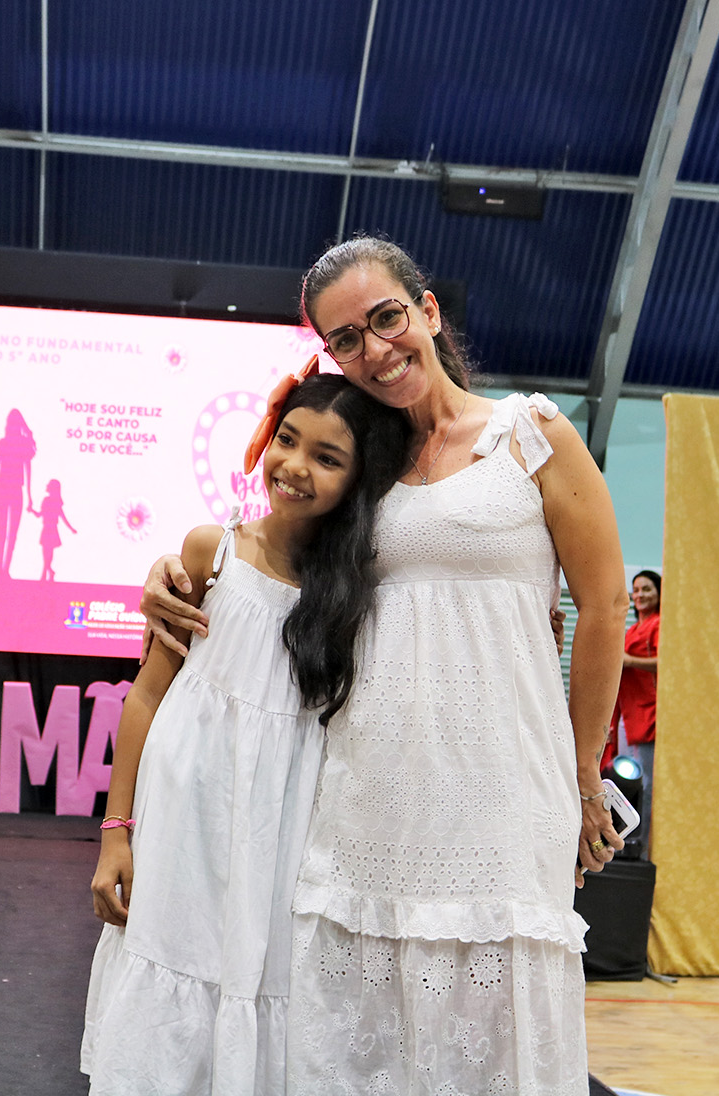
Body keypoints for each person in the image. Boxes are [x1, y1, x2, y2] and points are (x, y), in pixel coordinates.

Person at [142, 237, 628, 1094]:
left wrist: (584, 775)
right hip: (367, 806)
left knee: (496, 1051)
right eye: (346, 339)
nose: (375, 348)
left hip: (504, 804)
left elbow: (605, 605)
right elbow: (267, 554)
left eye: (387, 318)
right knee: (362, 1059)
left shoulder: (530, 433)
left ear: (427, 312)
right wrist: (168, 573)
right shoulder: (359, 466)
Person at [80, 374, 410, 1095]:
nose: (294, 466)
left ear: (358, 480)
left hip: (284, 828)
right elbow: (146, 697)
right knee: (171, 961)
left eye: (327, 457)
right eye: (287, 440)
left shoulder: (358, 598)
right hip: (182, 817)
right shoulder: (211, 553)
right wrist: (116, 832)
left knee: (259, 977)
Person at [604, 569, 660, 853]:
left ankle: (642, 846)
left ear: (659, 593)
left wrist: (629, 660)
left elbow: (668, 661)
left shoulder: (660, 624)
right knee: (627, 783)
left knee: (646, 784)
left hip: (650, 715)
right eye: (636, 590)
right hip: (628, 715)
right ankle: (623, 841)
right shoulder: (633, 629)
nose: (640, 595)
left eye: (647, 589)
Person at [0, 409, 36, 578]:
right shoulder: (14, 443)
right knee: (8, 531)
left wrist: (29, 494)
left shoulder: (10, 443)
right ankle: (2, 569)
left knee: (6, 530)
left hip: (7, 489)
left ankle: (2, 569)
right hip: (10, 489)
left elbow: (25, 468)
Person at [36, 479, 77, 582]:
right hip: (48, 528)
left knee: (47, 552)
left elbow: (63, 517)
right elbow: (41, 514)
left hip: (50, 529)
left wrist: (71, 528)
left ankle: (45, 573)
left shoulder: (53, 502)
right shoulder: (49, 501)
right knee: (46, 552)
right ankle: (48, 571)